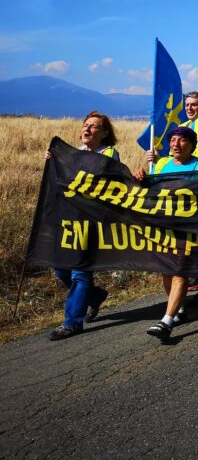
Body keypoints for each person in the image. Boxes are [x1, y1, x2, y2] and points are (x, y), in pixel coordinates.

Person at [132, 126, 198, 342]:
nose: (176, 144)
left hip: (189, 227)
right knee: (166, 270)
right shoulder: (162, 164)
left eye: (182, 140)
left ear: (192, 145)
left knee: (180, 270)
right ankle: (180, 308)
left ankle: (166, 320)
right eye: (173, 140)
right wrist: (141, 177)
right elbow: (151, 189)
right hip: (164, 226)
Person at [47, 111, 117, 340]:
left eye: (94, 126)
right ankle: (95, 296)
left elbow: (106, 182)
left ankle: (72, 322)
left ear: (104, 133)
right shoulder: (75, 155)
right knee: (61, 268)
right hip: (71, 220)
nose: (87, 129)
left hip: (93, 222)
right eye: (85, 125)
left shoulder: (108, 154)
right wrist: (54, 161)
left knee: (80, 271)